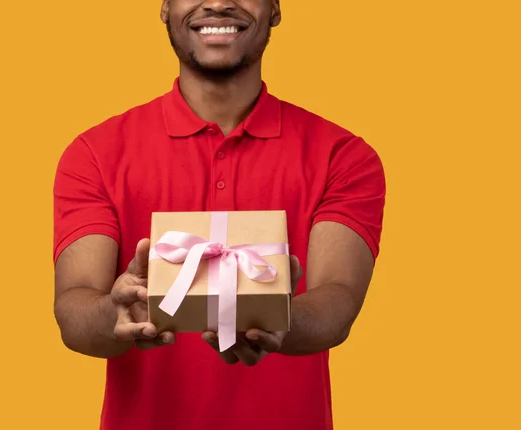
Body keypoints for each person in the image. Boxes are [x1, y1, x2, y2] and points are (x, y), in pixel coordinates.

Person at [52, 1, 386, 429]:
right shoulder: (94, 154)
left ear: (275, 8)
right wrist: (116, 313)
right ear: (166, 7)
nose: (218, 1)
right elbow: (74, 307)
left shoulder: (343, 155)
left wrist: (280, 322)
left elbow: (338, 299)